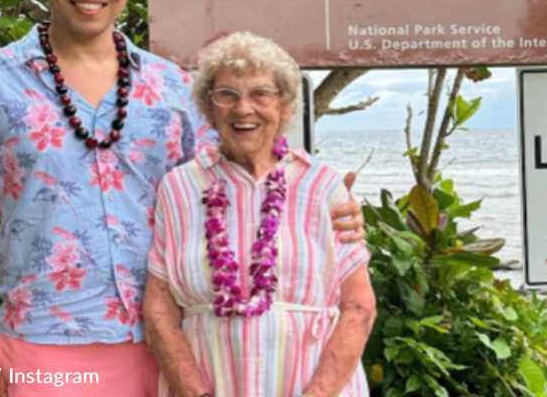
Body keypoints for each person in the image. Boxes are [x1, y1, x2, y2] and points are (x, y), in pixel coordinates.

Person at [0, 0, 365, 397]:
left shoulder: (173, 87)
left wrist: (329, 208)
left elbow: (238, 183)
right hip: (45, 335)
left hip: (178, 340)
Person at [143, 32, 377, 397]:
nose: (243, 108)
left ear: (284, 106)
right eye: (227, 95)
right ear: (208, 107)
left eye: (260, 94)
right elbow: (159, 309)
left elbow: (359, 307)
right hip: (210, 383)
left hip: (312, 385)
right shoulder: (179, 188)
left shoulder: (322, 185)